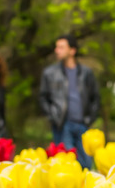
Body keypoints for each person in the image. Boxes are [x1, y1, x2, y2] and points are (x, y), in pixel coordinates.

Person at [39, 34, 100, 169]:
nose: (56, 50)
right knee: (67, 164)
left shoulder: (86, 73)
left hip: (83, 125)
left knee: (86, 164)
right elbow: (43, 98)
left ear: (72, 50)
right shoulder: (50, 73)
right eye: (56, 47)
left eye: (61, 47)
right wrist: (53, 116)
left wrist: (90, 119)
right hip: (62, 125)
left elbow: (95, 98)